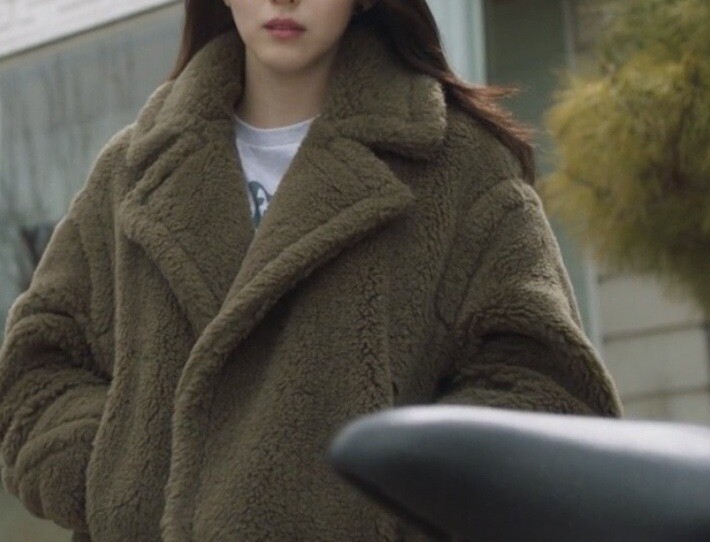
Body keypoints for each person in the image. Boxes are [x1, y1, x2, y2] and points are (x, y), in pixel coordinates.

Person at [0, 0, 623, 541]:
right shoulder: (132, 171)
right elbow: (36, 368)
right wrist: (117, 474)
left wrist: (390, 513)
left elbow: (548, 395)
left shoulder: (460, 166)